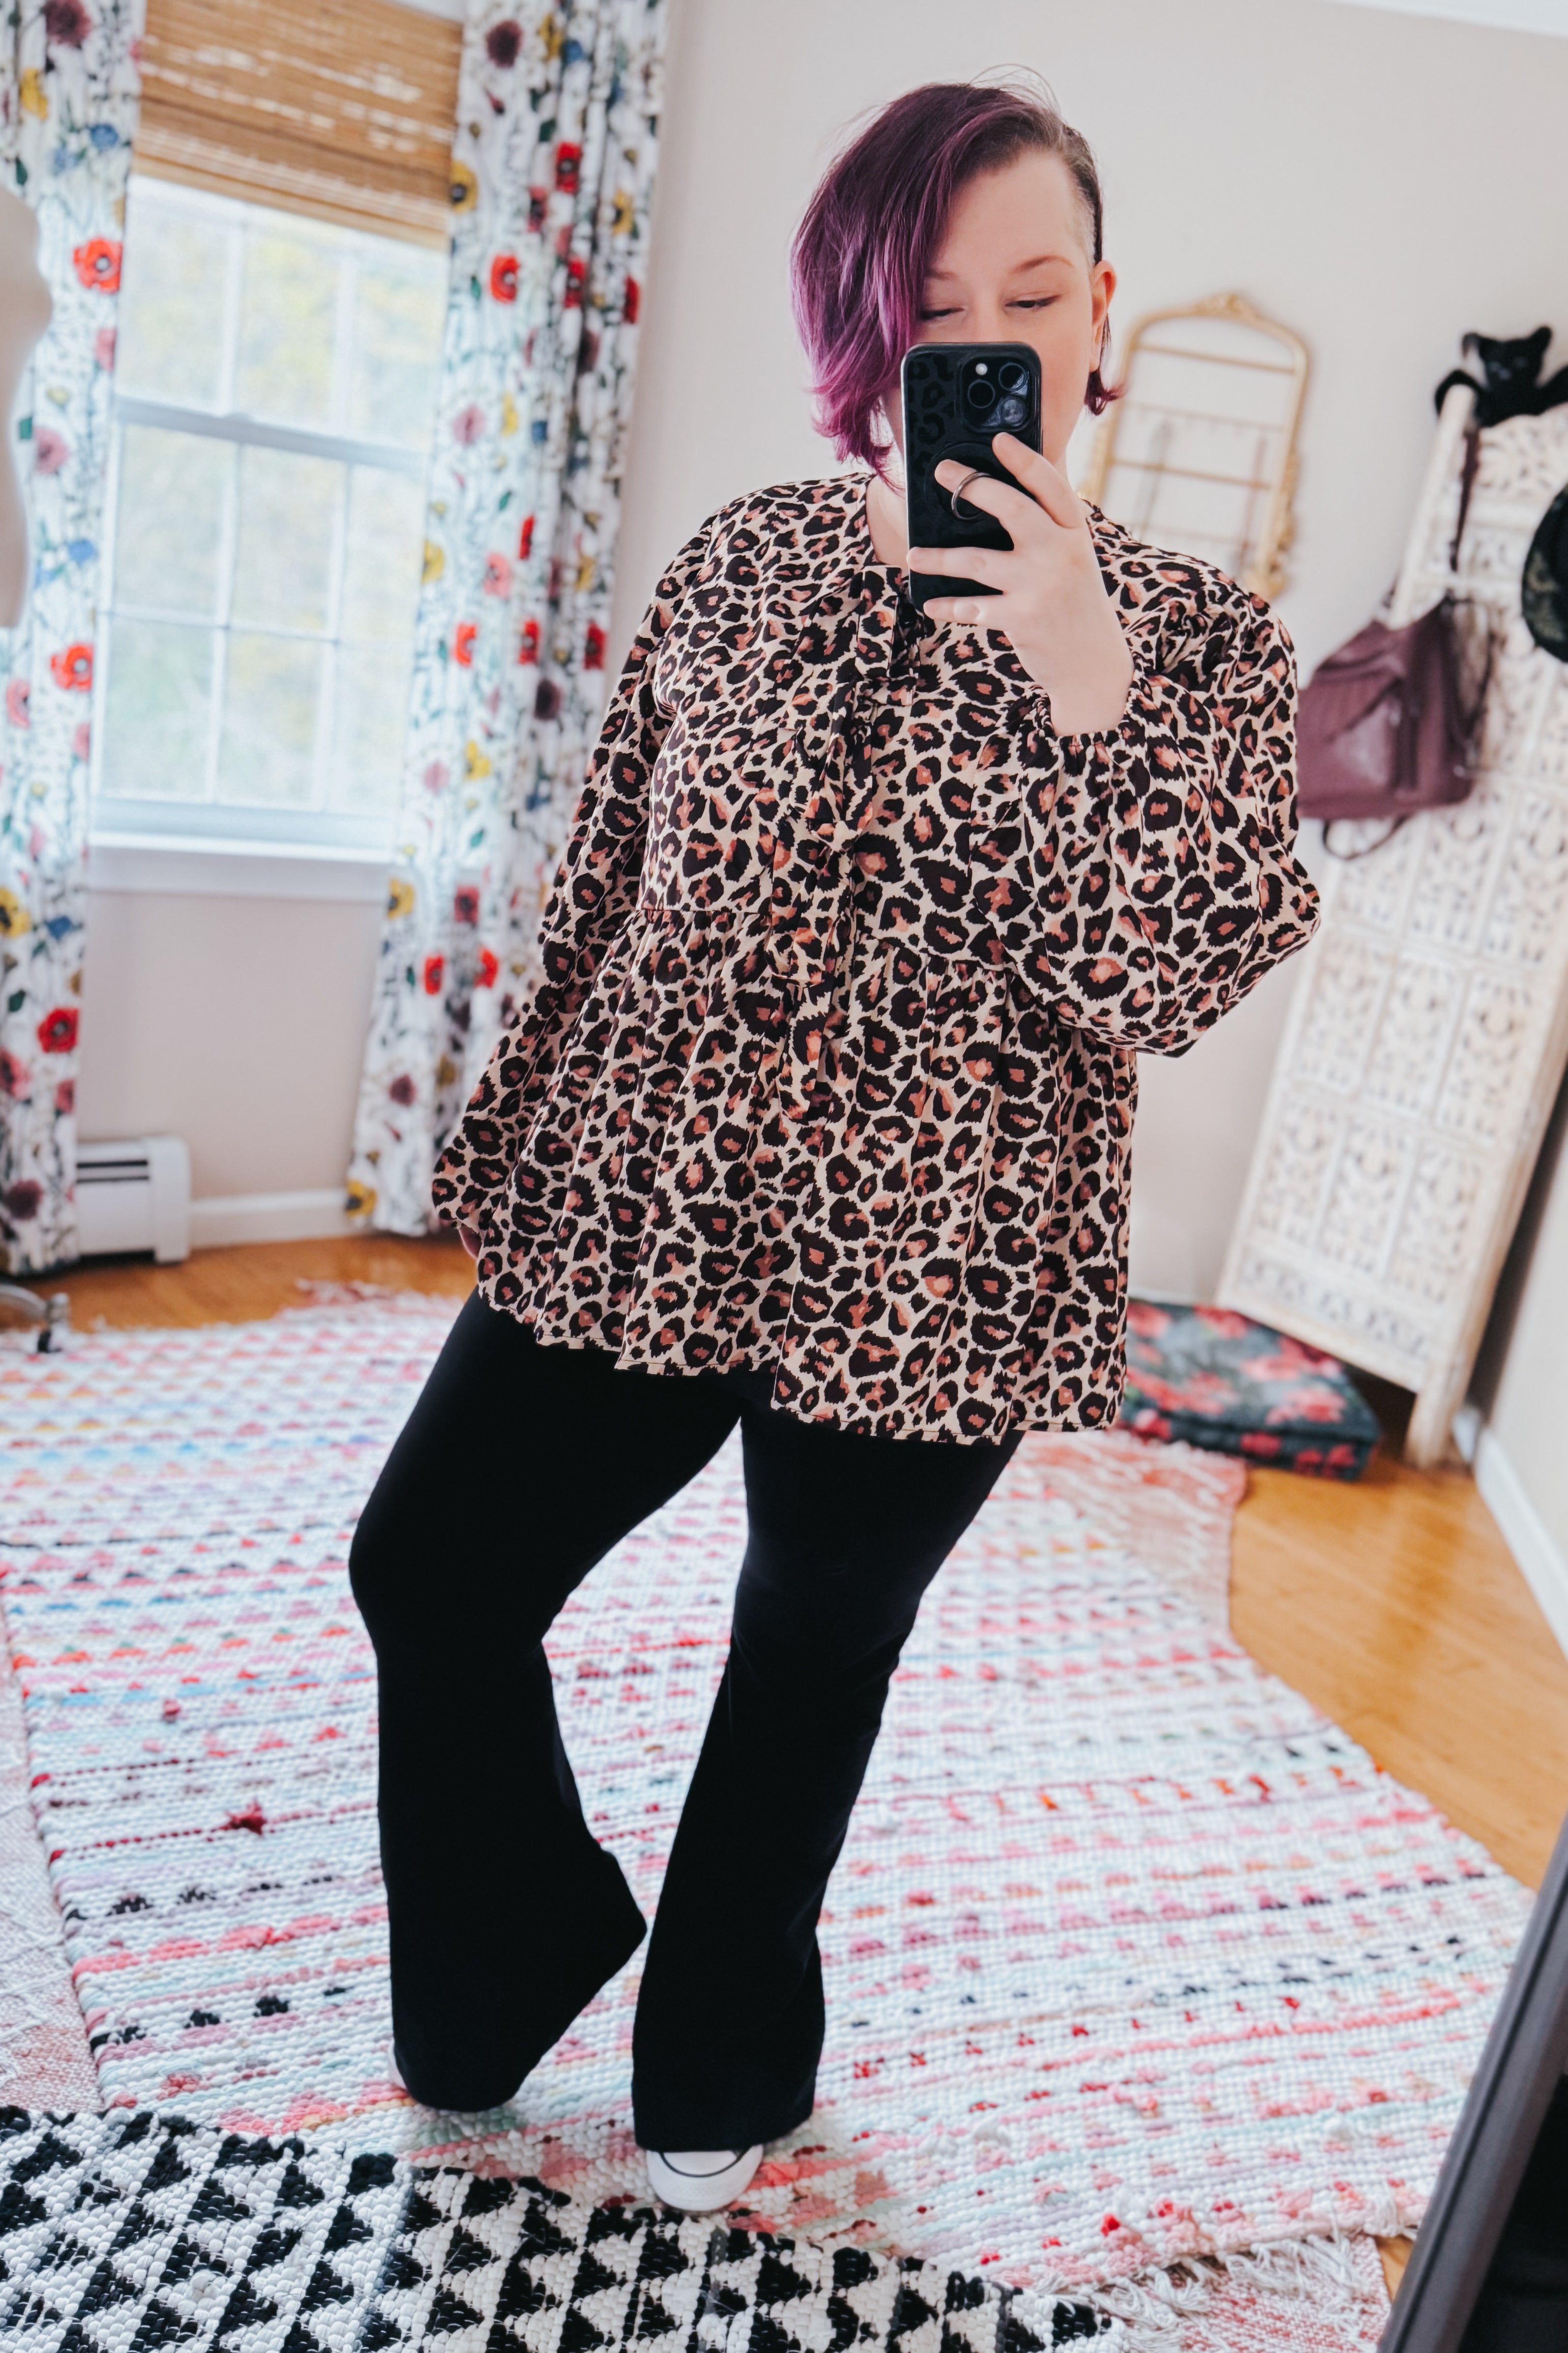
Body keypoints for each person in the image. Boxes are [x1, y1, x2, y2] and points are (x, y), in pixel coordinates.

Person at [348, 78, 1320, 2217]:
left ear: (1098, 321)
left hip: (950, 1251)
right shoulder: (746, 557)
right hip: (650, 1192)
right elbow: (606, 887)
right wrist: (515, 1162)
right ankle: (513, 1945)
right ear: (869, 327)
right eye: (935, 297)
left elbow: (1175, 963)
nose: (989, 332)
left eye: (1035, 293)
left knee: (805, 1652)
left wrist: (1081, 678)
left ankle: (718, 2060)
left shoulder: (1201, 638)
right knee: (430, 1564)